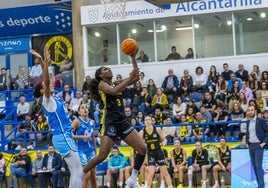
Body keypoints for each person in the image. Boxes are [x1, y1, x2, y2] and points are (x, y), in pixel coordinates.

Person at [83, 52, 147, 188]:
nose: (109, 69)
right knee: (102, 156)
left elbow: (135, 78)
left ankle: (133, 178)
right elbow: (114, 91)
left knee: (142, 148)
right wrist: (128, 80)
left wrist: (133, 57)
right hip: (109, 121)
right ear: (100, 75)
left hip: (122, 120)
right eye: (105, 69)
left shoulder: (115, 82)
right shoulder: (102, 85)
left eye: (108, 68)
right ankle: (80, 172)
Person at [31, 47, 83, 187]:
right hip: (62, 136)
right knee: (77, 171)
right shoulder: (47, 101)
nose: (51, 84)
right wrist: (45, 65)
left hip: (64, 134)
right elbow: (47, 82)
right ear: (42, 91)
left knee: (77, 171)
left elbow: (50, 79)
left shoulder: (55, 99)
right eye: (46, 85)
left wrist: (44, 62)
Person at [140, 115, 173, 188]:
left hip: (158, 152)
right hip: (150, 153)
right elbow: (139, 143)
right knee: (151, 172)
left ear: (151, 121)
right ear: (144, 122)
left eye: (149, 119)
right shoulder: (142, 132)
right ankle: (147, 186)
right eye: (146, 120)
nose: (147, 121)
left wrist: (164, 141)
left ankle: (170, 186)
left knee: (165, 172)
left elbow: (164, 139)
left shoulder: (157, 129)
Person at [72, 103, 97, 188]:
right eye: (82, 108)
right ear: (79, 112)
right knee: (86, 175)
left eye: (86, 108)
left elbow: (93, 136)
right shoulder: (76, 122)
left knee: (93, 176)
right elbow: (69, 135)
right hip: (81, 150)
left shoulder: (92, 122)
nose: (85, 109)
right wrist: (82, 137)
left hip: (91, 150)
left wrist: (95, 150)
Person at [246, 105, 268, 188]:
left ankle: (261, 186)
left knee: (258, 167)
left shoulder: (261, 120)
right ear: (247, 112)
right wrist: (247, 142)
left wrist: (264, 142)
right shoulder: (248, 122)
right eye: (249, 110)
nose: (250, 112)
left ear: (255, 111)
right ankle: (260, 185)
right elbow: (248, 133)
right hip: (251, 146)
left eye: (252, 110)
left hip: (259, 146)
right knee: (255, 168)